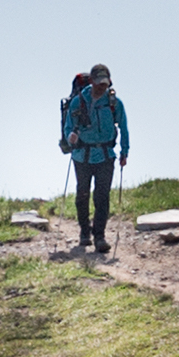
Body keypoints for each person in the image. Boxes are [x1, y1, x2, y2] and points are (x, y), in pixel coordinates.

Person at [61, 63, 129, 252]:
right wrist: (70, 137)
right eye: (99, 83)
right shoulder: (78, 102)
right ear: (91, 81)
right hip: (82, 155)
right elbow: (68, 127)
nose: (102, 87)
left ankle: (99, 236)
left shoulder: (114, 103)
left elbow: (124, 127)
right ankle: (84, 232)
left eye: (105, 84)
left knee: (102, 196)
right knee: (83, 194)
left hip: (106, 156)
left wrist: (125, 152)